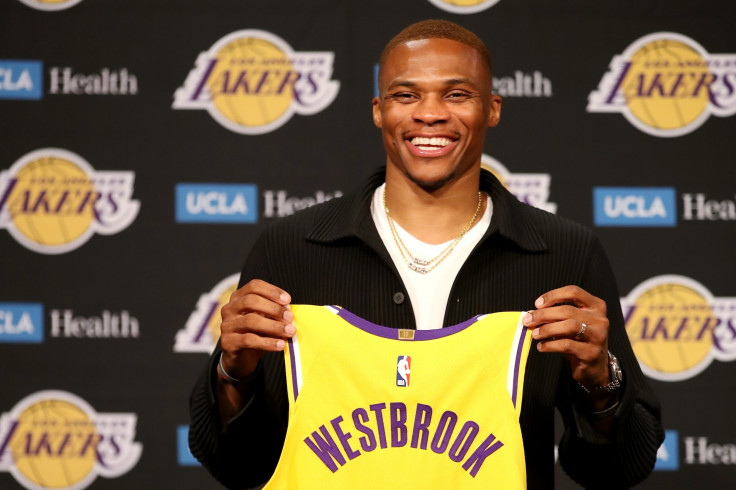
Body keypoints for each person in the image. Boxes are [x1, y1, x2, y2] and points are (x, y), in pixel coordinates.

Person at [189, 19, 663, 489]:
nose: (430, 114)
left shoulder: (563, 254)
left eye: (456, 94)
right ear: (378, 110)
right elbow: (236, 466)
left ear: (492, 109)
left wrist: (601, 382)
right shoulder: (291, 251)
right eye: (406, 95)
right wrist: (233, 373)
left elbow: (620, 471)